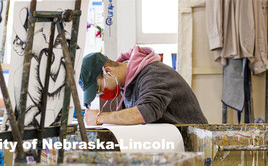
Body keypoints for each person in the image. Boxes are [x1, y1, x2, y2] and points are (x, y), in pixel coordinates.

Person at [79, 46, 208, 126]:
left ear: (108, 72)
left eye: (99, 89)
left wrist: (100, 118)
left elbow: (147, 111)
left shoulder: (153, 74)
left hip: (194, 144)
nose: (102, 94)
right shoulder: (127, 85)